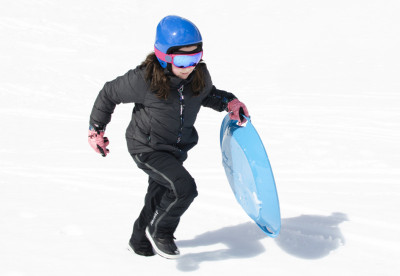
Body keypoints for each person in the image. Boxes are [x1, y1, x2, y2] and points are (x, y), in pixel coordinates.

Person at [88, 15, 249, 259]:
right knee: (184, 188)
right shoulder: (144, 79)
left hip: (176, 149)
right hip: (147, 147)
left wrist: (229, 102)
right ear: (164, 57)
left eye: (195, 58)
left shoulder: (198, 77)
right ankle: (161, 230)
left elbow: (207, 95)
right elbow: (109, 93)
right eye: (183, 59)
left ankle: (138, 237)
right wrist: (97, 128)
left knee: (160, 193)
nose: (190, 66)